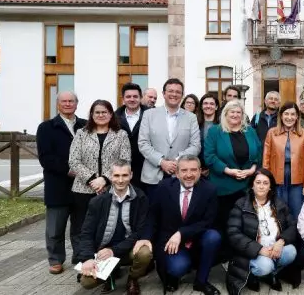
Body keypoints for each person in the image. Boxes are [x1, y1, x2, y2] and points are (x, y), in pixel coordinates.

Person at [140, 155, 221, 295]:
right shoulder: (164, 187)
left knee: (213, 237)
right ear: (176, 173)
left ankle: (201, 282)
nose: (189, 175)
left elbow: (208, 222)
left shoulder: (209, 190)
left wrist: (182, 233)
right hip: (169, 240)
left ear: (200, 171)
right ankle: (173, 275)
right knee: (178, 267)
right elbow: (152, 215)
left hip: (195, 239)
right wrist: (146, 238)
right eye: (184, 170)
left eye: (193, 170)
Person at [69, 99, 131, 280]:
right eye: (97, 112)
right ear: (91, 115)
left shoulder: (121, 135)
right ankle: (85, 265)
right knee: (82, 229)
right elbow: (73, 160)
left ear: (111, 114)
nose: (101, 115)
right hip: (83, 188)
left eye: (105, 112)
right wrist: (91, 179)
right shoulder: (81, 133)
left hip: (111, 188)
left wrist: (104, 179)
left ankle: (111, 266)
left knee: (108, 228)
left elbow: (125, 160)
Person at [77, 160, 151, 295]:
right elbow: (86, 233)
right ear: (110, 176)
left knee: (145, 253)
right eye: (116, 176)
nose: (121, 180)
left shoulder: (141, 198)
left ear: (131, 175)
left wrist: (113, 250)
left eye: (125, 175)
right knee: (87, 282)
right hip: (102, 252)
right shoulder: (97, 202)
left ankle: (132, 278)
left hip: (128, 248)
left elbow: (139, 232)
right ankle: (110, 273)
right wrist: (87, 258)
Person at [36, 91, 87, 274]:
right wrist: (69, 170)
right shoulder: (46, 127)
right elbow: (46, 158)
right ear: (57, 104)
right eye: (64, 101)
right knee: (55, 228)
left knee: (80, 226)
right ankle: (56, 259)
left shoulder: (85, 126)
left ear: (76, 103)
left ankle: (80, 257)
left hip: (82, 185)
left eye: (71, 101)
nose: (67, 104)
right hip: (58, 185)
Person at [226, 169, 298, 294]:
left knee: (291, 251)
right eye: (258, 182)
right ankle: (255, 275)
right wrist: (259, 249)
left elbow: (293, 225)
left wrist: (281, 242)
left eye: (265, 183)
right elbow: (233, 233)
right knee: (265, 266)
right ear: (252, 185)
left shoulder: (279, 203)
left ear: (270, 187)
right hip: (252, 251)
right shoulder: (241, 204)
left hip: (274, 247)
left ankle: (272, 274)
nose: (261, 186)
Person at [204, 100, 261, 236]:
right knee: (226, 224)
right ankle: (225, 256)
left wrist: (252, 169)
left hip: (246, 186)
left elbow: (259, 152)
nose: (235, 115)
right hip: (223, 187)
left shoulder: (250, 131)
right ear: (225, 113)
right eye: (232, 112)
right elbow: (209, 156)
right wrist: (228, 171)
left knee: (245, 225)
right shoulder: (215, 131)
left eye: (238, 112)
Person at [137, 78, 201, 196]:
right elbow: (143, 143)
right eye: (170, 91)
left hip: (180, 176)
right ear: (164, 93)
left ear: (182, 95)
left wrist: (177, 161)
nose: (174, 94)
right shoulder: (149, 114)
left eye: (178, 92)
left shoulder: (191, 117)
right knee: (153, 213)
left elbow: (195, 145)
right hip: (153, 177)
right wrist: (161, 162)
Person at [263, 102, 304, 218]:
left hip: (297, 178)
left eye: (293, 114)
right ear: (281, 115)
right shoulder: (272, 133)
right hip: (276, 177)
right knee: (278, 211)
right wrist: (266, 181)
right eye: (286, 114)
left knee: (297, 212)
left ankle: (295, 236)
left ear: (297, 117)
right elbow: (266, 160)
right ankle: (281, 236)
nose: (289, 117)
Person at [115, 83, 150, 191]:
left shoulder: (151, 114)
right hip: (122, 168)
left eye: (135, 96)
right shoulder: (114, 117)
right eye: (128, 96)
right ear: (123, 99)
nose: (132, 99)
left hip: (146, 166)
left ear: (141, 98)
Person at [197, 93, 220, 175]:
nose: (208, 106)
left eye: (212, 104)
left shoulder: (222, 126)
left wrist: (211, 169)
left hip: (216, 168)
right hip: (197, 168)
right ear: (201, 106)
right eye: (205, 103)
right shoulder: (195, 124)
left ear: (216, 107)